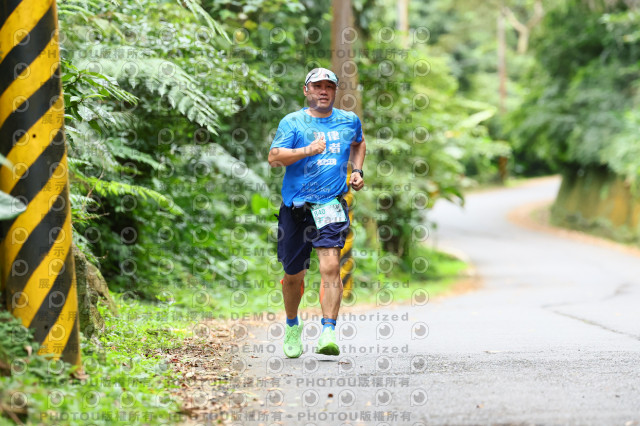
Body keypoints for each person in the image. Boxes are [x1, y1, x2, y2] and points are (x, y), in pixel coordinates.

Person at [268, 68, 366, 358]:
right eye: (317, 86)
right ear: (306, 90)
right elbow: (274, 158)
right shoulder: (292, 122)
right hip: (296, 208)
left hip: (330, 205)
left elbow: (359, 142)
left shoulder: (349, 120)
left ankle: (328, 331)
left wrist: (357, 170)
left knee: (330, 267)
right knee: (293, 276)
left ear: (335, 91)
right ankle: (292, 325)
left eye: (329, 86)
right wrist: (307, 150)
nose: (323, 91)